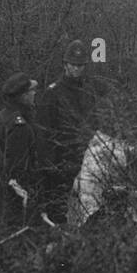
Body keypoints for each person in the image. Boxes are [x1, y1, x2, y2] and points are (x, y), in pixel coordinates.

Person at [36, 39, 98, 223]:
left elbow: (95, 124)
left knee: (88, 215)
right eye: (73, 65)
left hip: (87, 163)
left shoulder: (89, 91)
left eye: (81, 65)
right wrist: (52, 167)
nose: (77, 69)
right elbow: (44, 133)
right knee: (61, 216)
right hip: (62, 164)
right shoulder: (53, 93)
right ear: (65, 65)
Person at [0, 72, 41, 232]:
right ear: (23, 96)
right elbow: (16, 166)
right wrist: (27, 192)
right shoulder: (20, 125)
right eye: (31, 91)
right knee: (18, 234)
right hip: (16, 193)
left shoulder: (1, 117)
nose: (34, 94)